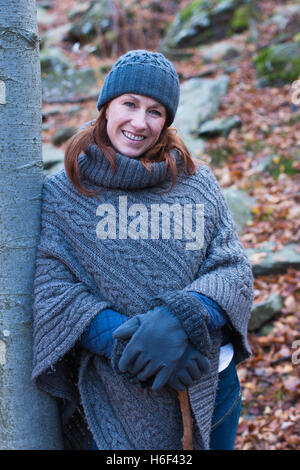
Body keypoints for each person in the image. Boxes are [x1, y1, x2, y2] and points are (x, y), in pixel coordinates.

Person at [32, 50, 254, 451]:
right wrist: (126, 343)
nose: (139, 122)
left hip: (207, 388)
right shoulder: (64, 193)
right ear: (106, 106)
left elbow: (233, 270)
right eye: (129, 104)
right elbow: (54, 290)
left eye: (155, 111)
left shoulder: (196, 182)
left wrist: (179, 317)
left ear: (167, 121)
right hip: (112, 395)